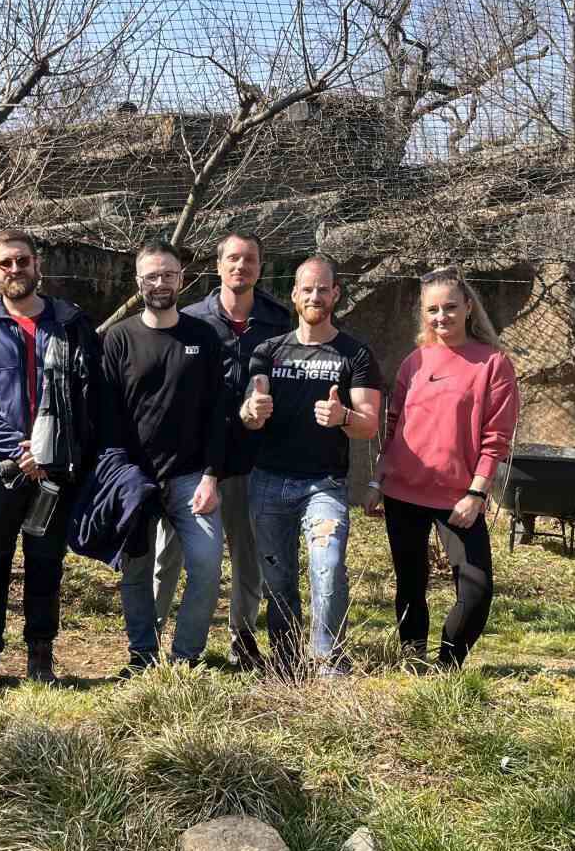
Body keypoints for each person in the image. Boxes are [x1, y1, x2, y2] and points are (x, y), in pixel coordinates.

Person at [0, 229, 100, 687]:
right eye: (5, 263)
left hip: (56, 468)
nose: (14, 269)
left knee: (45, 563)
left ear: (37, 264)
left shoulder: (70, 323)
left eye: (22, 260)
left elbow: (89, 393)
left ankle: (40, 659)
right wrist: (19, 446)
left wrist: (52, 450)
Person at [364, 266, 519, 668]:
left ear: (468, 307)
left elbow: (496, 438)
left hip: (459, 498)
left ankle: (448, 664)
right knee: (410, 583)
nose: (441, 316)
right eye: (432, 309)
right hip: (403, 491)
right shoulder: (414, 362)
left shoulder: (493, 364)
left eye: (450, 307)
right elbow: (394, 429)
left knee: (477, 589)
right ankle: (413, 659)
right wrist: (377, 482)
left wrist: (477, 492)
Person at [240, 254, 381, 675]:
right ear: (294, 294)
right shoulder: (268, 352)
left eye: (323, 289)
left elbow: (369, 425)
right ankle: (286, 661)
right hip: (269, 482)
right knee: (277, 580)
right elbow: (250, 412)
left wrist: (343, 417)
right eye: (307, 289)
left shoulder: (355, 354)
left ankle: (328, 659)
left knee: (329, 566)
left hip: (325, 484)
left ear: (335, 294)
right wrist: (252, 410)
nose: (315, 296)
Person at [160, 231, 293, 668]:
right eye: (233, 258)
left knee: (247, 555)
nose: (241, 266)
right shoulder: (191, 319)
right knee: (170, 553)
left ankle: (243, 637)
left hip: (254, 456)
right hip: (192, 458)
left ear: (260, 266)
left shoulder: (278, 320)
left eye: (249, 259)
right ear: (218, 266)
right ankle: (152, 642)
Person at [103, 241, 229, 676]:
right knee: (136, 573)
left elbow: (218, 411)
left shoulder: (203, 337)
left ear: (182, 279)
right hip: (135, 480)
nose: (160, 283)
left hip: (192, 477)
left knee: (207, 567)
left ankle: (185, 658)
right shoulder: (119, 338)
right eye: (152, 276)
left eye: (168, 275)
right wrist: (119, 476)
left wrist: (211, 475)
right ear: (139, 282)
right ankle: (142, 656)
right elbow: (107, 414)